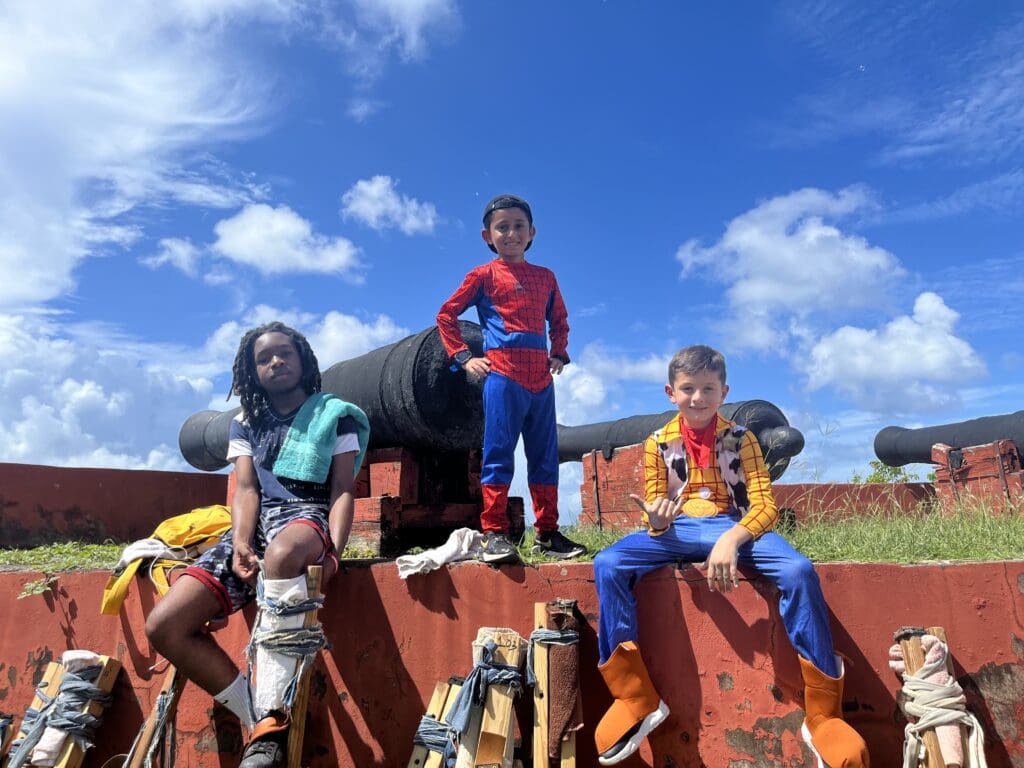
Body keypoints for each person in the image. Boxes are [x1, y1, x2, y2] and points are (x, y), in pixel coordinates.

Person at [592, 345, 869, 767]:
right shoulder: (657, 443)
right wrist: (659, 522)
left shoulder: (743, 439)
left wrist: (732, 540)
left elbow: (764, 505)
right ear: (671, 392)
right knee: (608, 563)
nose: (697, 398)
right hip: (681, 529)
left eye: (707, 388)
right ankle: (635, 697)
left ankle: (823, 715)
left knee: (798, 570)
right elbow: (656, 510)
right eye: (688, 389)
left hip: (734, 526)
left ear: (724, 392)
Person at [146, 321, 368, 768]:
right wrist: (242, 543)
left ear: (303, 359)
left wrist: (334, 553)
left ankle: (269, 721)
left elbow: (343, 488)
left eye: (284, 353)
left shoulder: (334, 414)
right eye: (263, 358)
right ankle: (264, 718)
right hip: (254, 525)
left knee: (283, 554)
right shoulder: (245, 421)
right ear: (252, 371)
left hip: (306, 517)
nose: (275, 362)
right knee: (164, 625)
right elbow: (246, 489)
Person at [436, 194, 585, 564]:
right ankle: (495, 534)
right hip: (502, 374)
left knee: (545, 456)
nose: (511, 233)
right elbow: (446, 315)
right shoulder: (483, 275)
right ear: (488, 235)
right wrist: (465, 357)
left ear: (531, 232)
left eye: (519, 226)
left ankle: (548, 533)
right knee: (499, 454)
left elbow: (560, 320)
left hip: (541, 377)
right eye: (502, 227)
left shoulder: (546, 277)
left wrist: (558, 352)